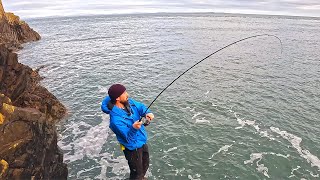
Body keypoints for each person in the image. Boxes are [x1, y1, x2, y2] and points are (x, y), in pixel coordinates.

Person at [101, 84, 154, 180]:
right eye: (124, 93)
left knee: (145, 165)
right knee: (136, 174)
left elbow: (140, 107)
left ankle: (141, 178)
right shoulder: (115, 121)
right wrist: (134, 128)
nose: (127, 94)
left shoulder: (129, 102)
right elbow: (128, 138)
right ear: (117, 98)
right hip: (132, 148)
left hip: (141, 141)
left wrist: (148, 113)